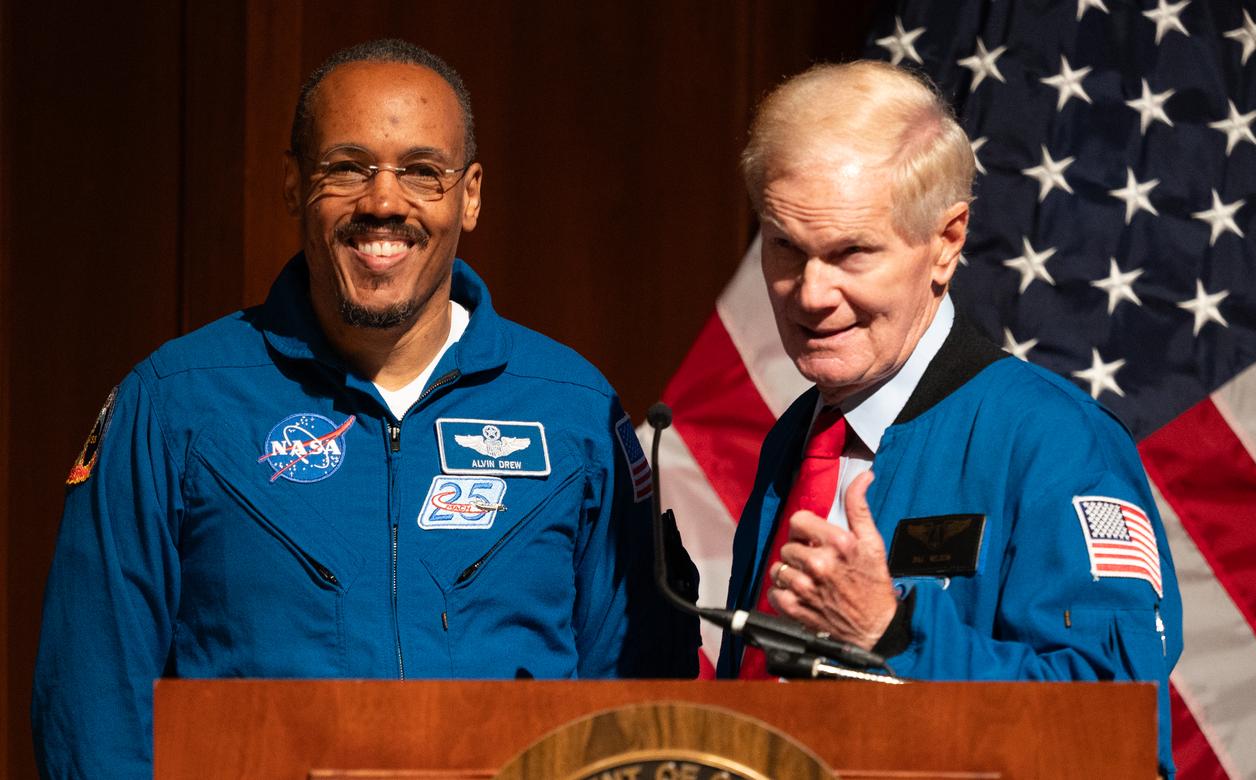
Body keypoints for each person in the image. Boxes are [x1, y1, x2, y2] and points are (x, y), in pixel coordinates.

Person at [32, 39, 699, 778]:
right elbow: (95, 710)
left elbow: (637, 712)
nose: (383, 202)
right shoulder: (174, 404)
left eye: (422, 171)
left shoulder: (574, 411)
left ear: (470, 194)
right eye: (346, 168)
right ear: (291, 185)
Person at [717, 60, 1181, 777]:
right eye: (786, 248)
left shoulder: (1056, 443)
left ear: (947, 241)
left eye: (851, 253)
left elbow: (1113, 729)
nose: (809, 295)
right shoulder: (798, 437)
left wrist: (895, 631)